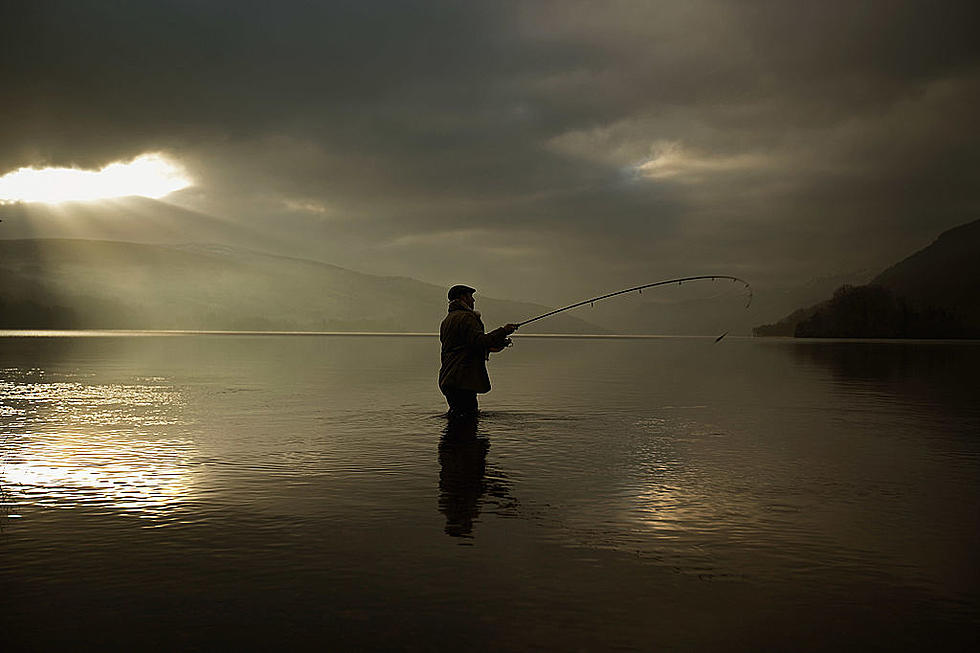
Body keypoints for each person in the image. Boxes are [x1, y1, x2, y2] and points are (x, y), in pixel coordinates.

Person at [438, 284, 518, 416]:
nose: (473, 301)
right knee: (467, 419)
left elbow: (468, 346)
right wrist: (503, 331)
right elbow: (480, 341)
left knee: (458, 418)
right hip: (462, 379)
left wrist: (499, 343)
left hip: (449, 378)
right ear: (463, 297)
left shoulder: (448, 320)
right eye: (471, 297)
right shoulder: (467, 317)